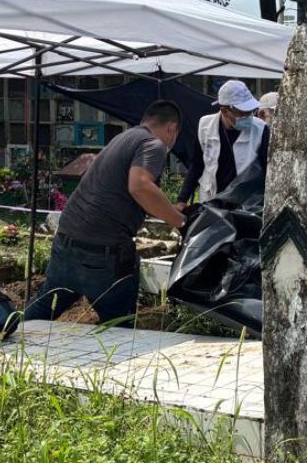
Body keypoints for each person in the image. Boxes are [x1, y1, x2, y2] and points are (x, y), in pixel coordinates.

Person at [23, 100, 186, 324]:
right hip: (103, 253)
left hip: (67, 240)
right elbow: (140, 186)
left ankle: (4, 340)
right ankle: (121, 355)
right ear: (172, 128)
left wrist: (167, 208)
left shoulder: (123, 138)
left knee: (42, 308)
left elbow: (122, 192)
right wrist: (180, 222)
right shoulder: (153, 144)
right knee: (119, 325)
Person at [177, 80, 270, 208]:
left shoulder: (261, 129)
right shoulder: (205, 126)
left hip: (245, 202)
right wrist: (182, 199)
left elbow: (268, 170)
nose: (249, 116)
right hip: (212, 197)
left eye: (251, 111)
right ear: (225, 111)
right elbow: (197, 165)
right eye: (243, 113)